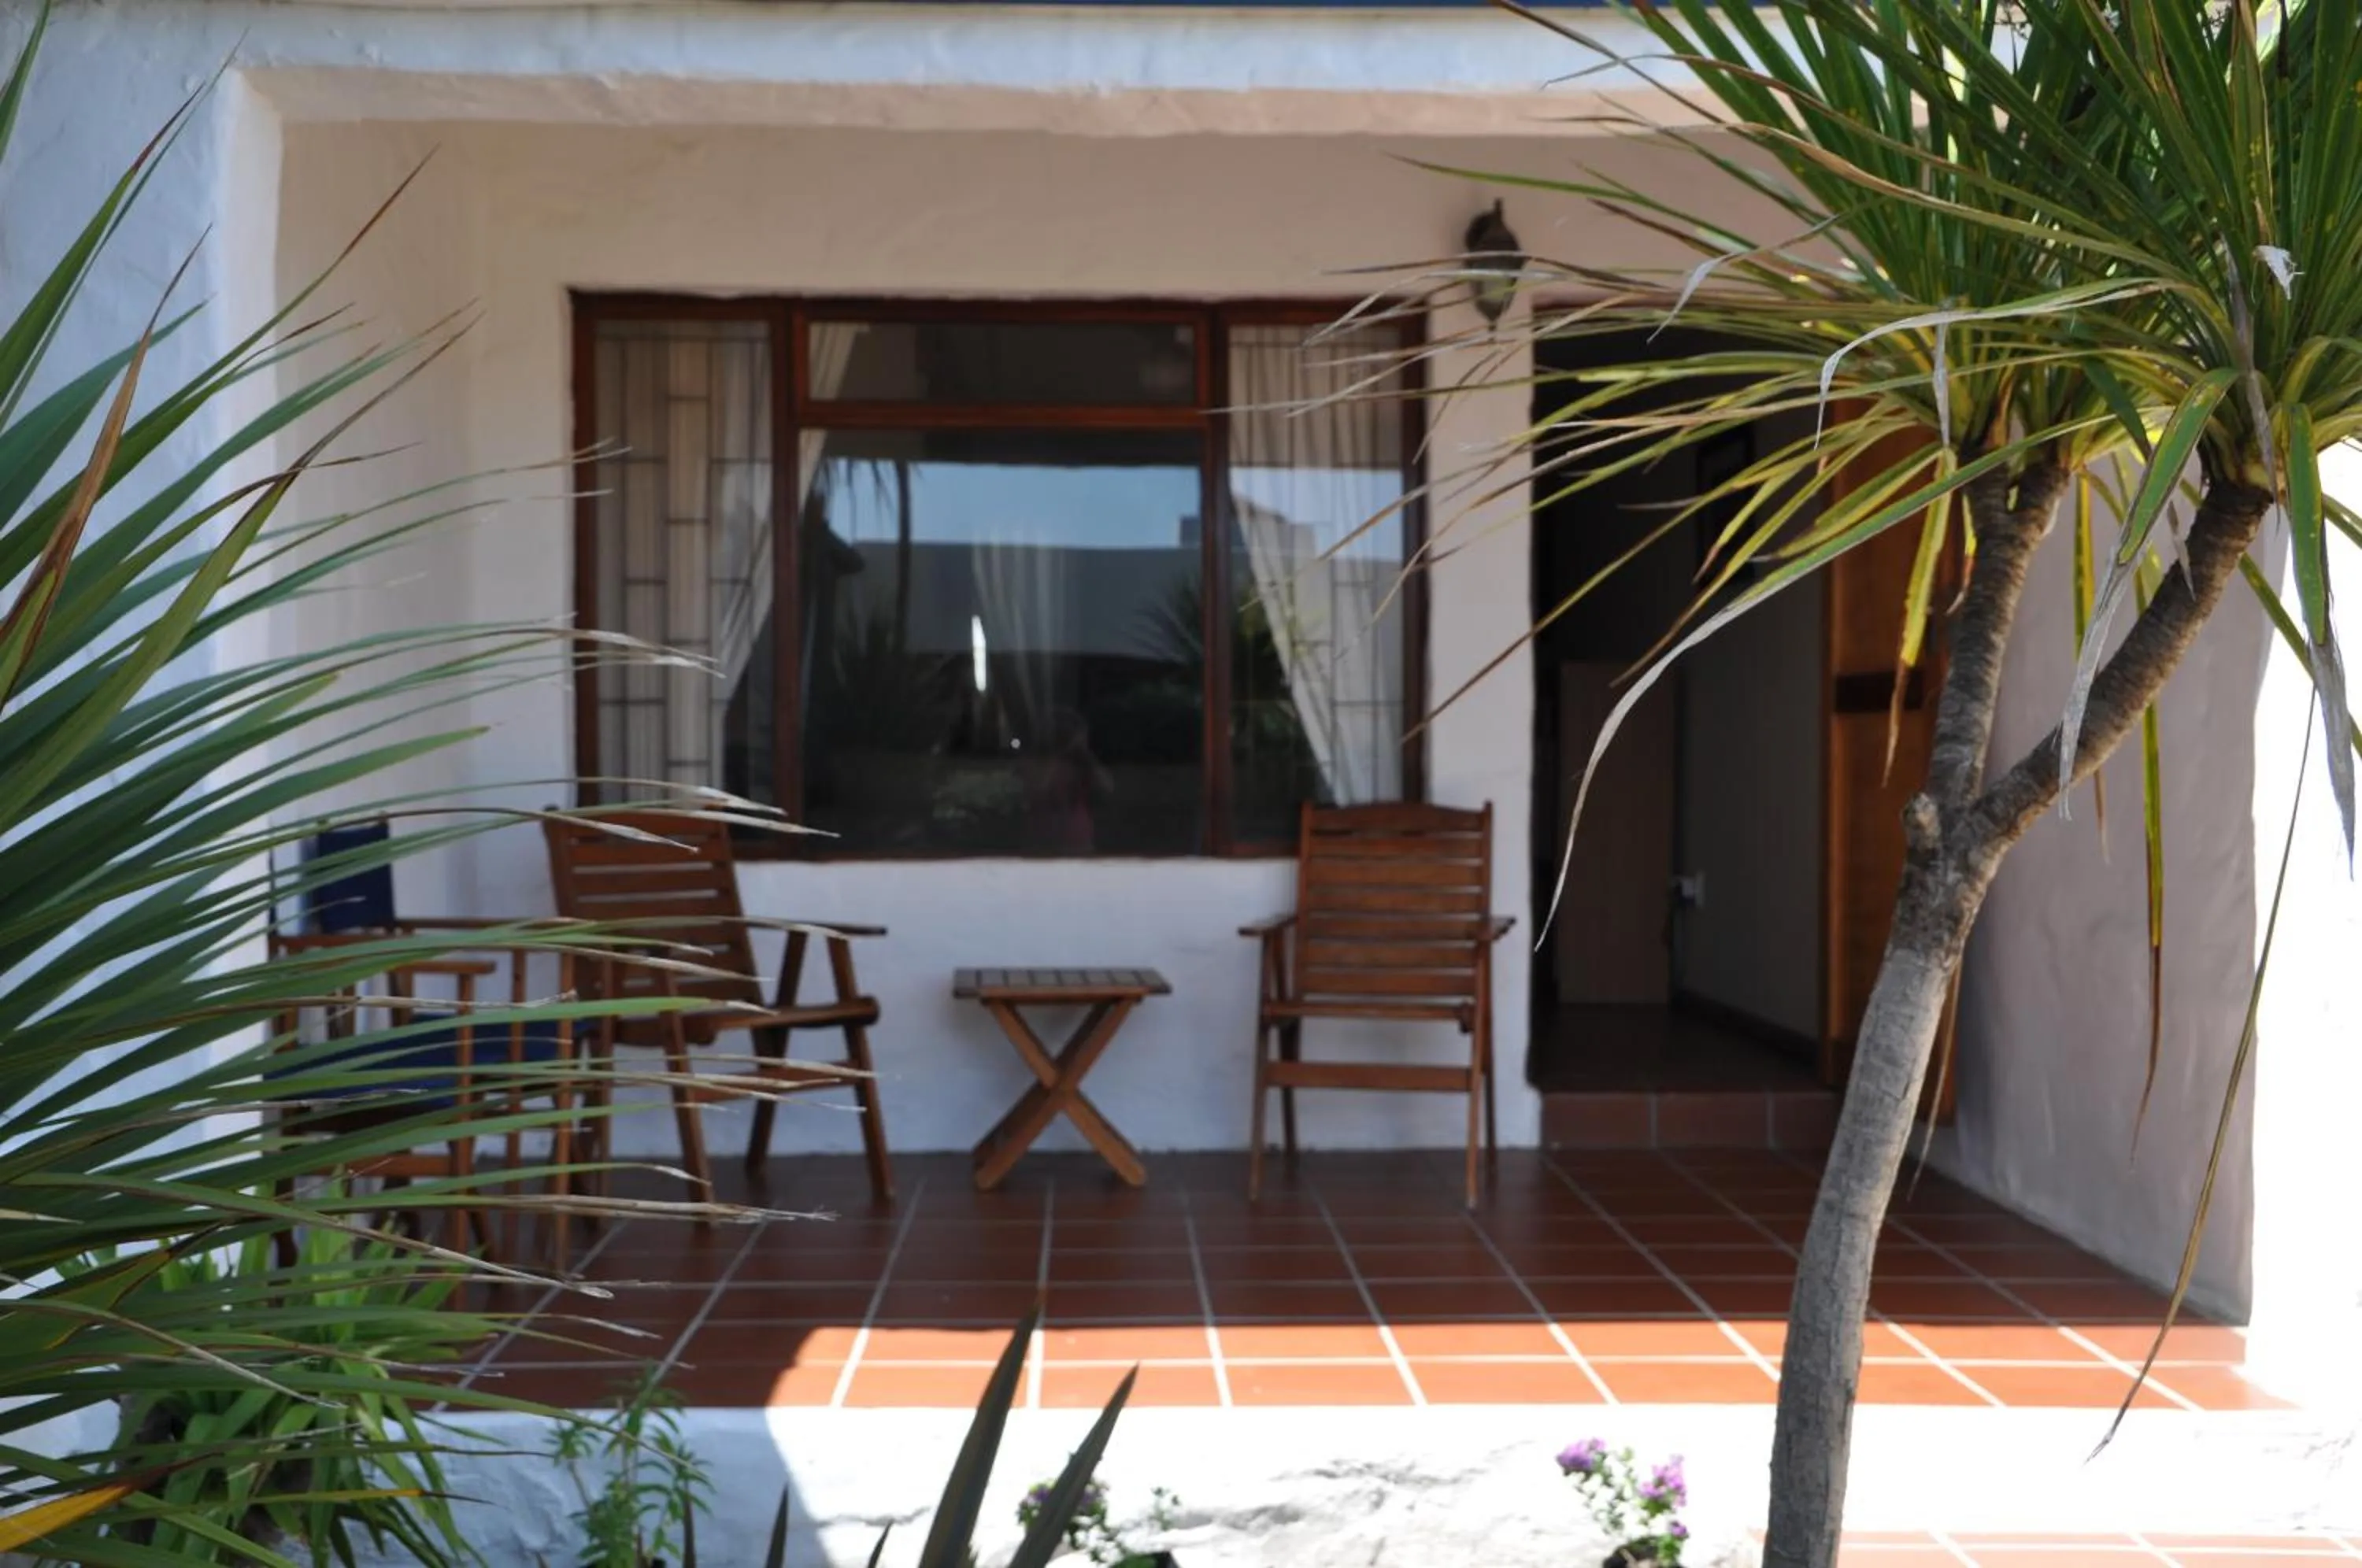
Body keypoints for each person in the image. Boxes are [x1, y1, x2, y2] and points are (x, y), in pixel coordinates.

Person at [1025, 707, 1113, 855]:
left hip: (1080, 844)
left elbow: (1107, 790)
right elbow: (1037, 792)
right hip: (1044, 846)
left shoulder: (1084, 765)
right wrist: (1059, 756)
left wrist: (1088, 758)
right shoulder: (1035, 763)